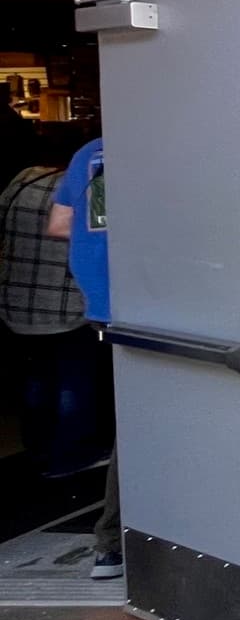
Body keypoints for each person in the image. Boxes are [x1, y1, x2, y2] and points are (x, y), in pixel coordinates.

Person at [2, 137, 100, 482]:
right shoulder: (86, 180)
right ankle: (70, 456)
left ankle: (37, 448)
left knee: (37, 377)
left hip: (17, 302)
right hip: (64, 302)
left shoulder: (22, 181)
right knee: (74, 381)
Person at [47, 135, 119, 579]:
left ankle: (112, 546)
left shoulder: (89, 152)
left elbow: (60, 223)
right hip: (159, 300)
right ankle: (113, 540)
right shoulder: (170, 144)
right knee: (148, 425)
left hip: (104, 306)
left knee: (135, 424)